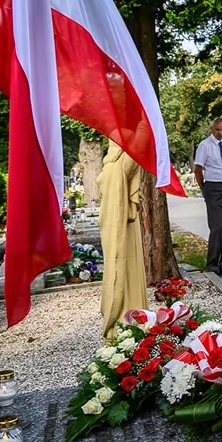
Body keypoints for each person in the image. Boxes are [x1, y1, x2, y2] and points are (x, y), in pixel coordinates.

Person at [97, 141, 148, 336]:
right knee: (123, 268)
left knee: (129, 267)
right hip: (120, 225)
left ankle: (131, 323)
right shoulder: (116, 164)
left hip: (126, 227)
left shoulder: (117, 162)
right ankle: (125, 325)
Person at [194, 118, 222, 276]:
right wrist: (204, 189)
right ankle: (212, 264)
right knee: (217, 227)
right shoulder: (204, 145)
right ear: (212, 129)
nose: (220, 133)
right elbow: (198, 169)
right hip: (213, 187)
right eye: (218, 130)